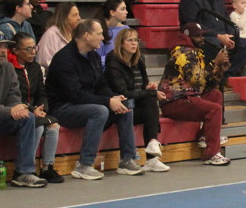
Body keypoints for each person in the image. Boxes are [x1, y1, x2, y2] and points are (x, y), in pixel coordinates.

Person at [47, 19, 143, 180]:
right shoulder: (64, 59)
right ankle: (84, 164)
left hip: (86, 103)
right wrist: (107, 102)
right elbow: (75, 95)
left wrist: (113, 98)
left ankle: (127, 159)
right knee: (100, 111)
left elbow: (101, 85)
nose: (103, 38)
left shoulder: (94, 56)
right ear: (87, 35)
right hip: (63, 107)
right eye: (99, 34)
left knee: (125, 105)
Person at [158, 23, 230, 166]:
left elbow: (204, 85)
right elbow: (197, 79)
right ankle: (211, 154)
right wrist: (215, 63)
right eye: (197, 36)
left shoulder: (195, 52)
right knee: (214, 110)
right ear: (187, 36)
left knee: (215, 95)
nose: (201, 38)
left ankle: (204, 136)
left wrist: (219, 69)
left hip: (187, 96)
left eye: (202, 35)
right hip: (174, 101)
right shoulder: (183, 53)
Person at [0, 29, 48, 193]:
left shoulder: (8, 68)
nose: (3, 50)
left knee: (27, 117)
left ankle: (24, 173)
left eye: (5, 47)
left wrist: (18, 107)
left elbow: (14, 96)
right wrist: (10, 111)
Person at [105, 29, 169, 172]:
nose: (134, 44)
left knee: (150, 101)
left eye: (136, 40)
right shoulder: (113, 63)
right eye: (130, 40)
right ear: (121, 43)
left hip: (136, 105)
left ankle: (152, 149)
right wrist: (150, 92)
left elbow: (144, 84)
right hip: (119, 109)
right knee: (149, 99)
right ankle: (146, 154)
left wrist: (149, 87)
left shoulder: (139, 59)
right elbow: (124, 94)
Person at [178, 0, 246, 79]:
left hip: (222, 36)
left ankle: (227, 76)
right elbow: (193, 26)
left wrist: (230, 35)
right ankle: (211, 77)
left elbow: (226, 19)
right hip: (204, 37)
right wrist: (219, 36)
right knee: (215, 45)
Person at [7, 33, 62, 183]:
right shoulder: (9, 69)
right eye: (28, 49)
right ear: (15, 50)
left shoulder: (35, 67)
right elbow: (13, 97)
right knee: (36, 126)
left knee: (53, 125)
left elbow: (41, 92)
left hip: (35, 109)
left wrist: (42, 108)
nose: (33, 52)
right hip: (18, 109)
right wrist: (32, 110)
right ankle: (27, 169)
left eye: (34, 48)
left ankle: (47, 167)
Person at [36, 2, 80, 71]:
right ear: (64, 17)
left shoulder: (76, 34)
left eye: (78, 14)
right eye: (74, 15)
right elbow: (44, 61)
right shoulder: (51, 34)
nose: (79, 18)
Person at [97, 0, 129, 66]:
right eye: (122, 9)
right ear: (112, 12)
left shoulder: (126, 30)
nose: (126, 12)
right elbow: (95, 57)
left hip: (117, 67)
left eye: (125, 9)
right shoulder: (97, 28)